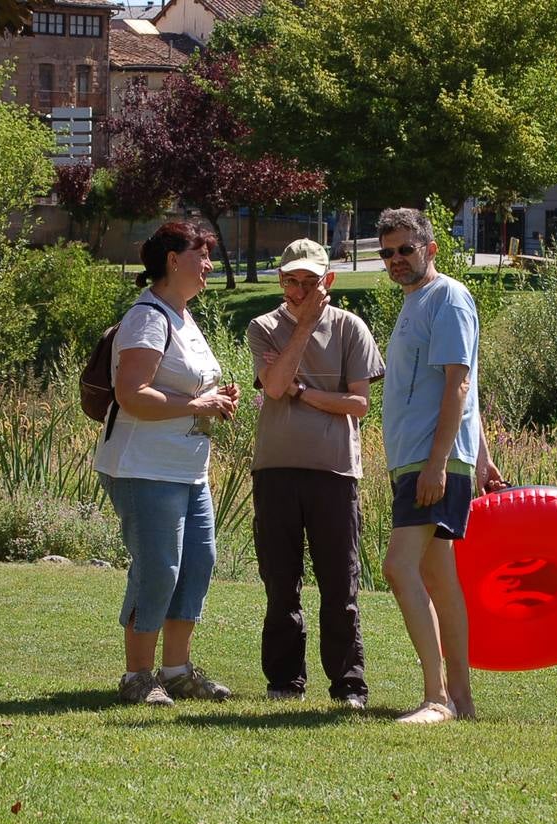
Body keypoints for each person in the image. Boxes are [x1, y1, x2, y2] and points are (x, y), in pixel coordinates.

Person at [94, 221, 238, 706]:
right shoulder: (148, 318)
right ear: (173, 260)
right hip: (143, 467)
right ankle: (138, 676)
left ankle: (176, 671)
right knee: (159, 569)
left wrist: (214, 397)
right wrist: (196, 406)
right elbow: (131, 394)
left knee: (198, 564)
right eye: (202, 254)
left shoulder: (183, 316)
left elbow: (185, 385)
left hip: (187, 469)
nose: (209, 264)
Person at [376, 208, 502, 726]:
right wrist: (485, 457)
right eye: (386, 253)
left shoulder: (447, 296)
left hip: (432, 461)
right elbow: (463, 390)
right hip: (420, 459)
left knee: (398, 567)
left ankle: (437, 698)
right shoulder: (415, 302)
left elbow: (459, 383)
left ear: (430, 248)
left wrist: (437, 465)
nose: (396, 260)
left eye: (405, 249)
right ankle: (462, 700)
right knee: (439, 579)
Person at [247, 238, 384, 707]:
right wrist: (302, 329)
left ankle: (348, 684)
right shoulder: (263, 326)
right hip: (276, 470)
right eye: (291, 282)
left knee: (339, 583)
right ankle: (285, 681)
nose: (299, 291)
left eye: (309, 282)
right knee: (280, 582)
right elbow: (276, 384)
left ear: (328, 281)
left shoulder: (351, 328)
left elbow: (359, 404)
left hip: (335, 472)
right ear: (280, 281)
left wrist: (304, 395)